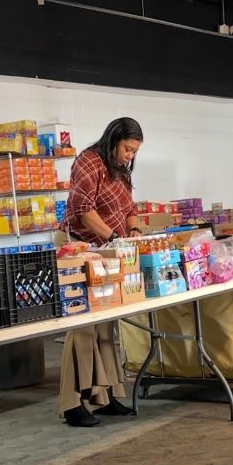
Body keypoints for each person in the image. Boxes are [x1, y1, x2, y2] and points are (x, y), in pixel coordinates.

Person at [59, 117, 144, 427]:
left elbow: (129, 208)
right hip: (80, 248)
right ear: (113, 141)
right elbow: (83, 210)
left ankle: (105, 396)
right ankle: (72, 404)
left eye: (134, 151)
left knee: (105, 326)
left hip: (108, 250)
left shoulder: (120, 170)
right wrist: (113, 238)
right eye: (127, 149)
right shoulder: (88, 162)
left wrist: (133, 231)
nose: (130, 156)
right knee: (82, 326)